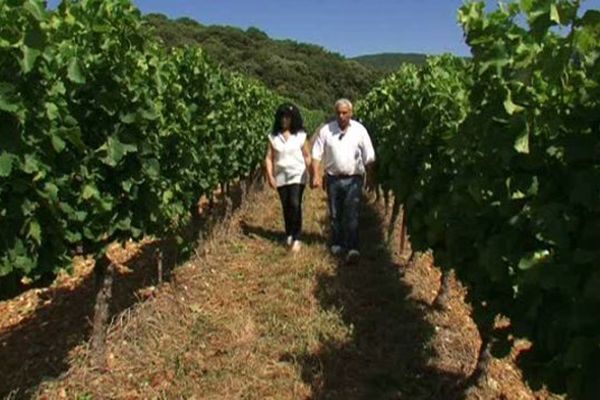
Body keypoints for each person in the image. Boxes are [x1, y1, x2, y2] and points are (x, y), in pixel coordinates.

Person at [311, 98, 376, 263]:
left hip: (354, 178)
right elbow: (316, 154)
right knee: (335, 213)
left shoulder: (359, 130)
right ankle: (337, 243)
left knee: (352, 213)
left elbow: (369, 156)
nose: (341, 116)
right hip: (333, 178)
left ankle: (353, 247)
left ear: (351, 113)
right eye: (338, 113)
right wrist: (316, 175)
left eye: (345, 113)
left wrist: (370, 178)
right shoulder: (326, 130)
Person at [265, 103, 311, 252]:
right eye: (282, 117)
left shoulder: (300, 136)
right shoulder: (273, 137)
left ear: (293, 119)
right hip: (281, 176)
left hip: (297, 174)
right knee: (286, 206)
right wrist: (270, 176)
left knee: (295, 203)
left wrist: (311, 172)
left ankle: (297, 237)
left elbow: (307, 155)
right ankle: (289, 233)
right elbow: (269, 158)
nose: (284, 120)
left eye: (287, 117)